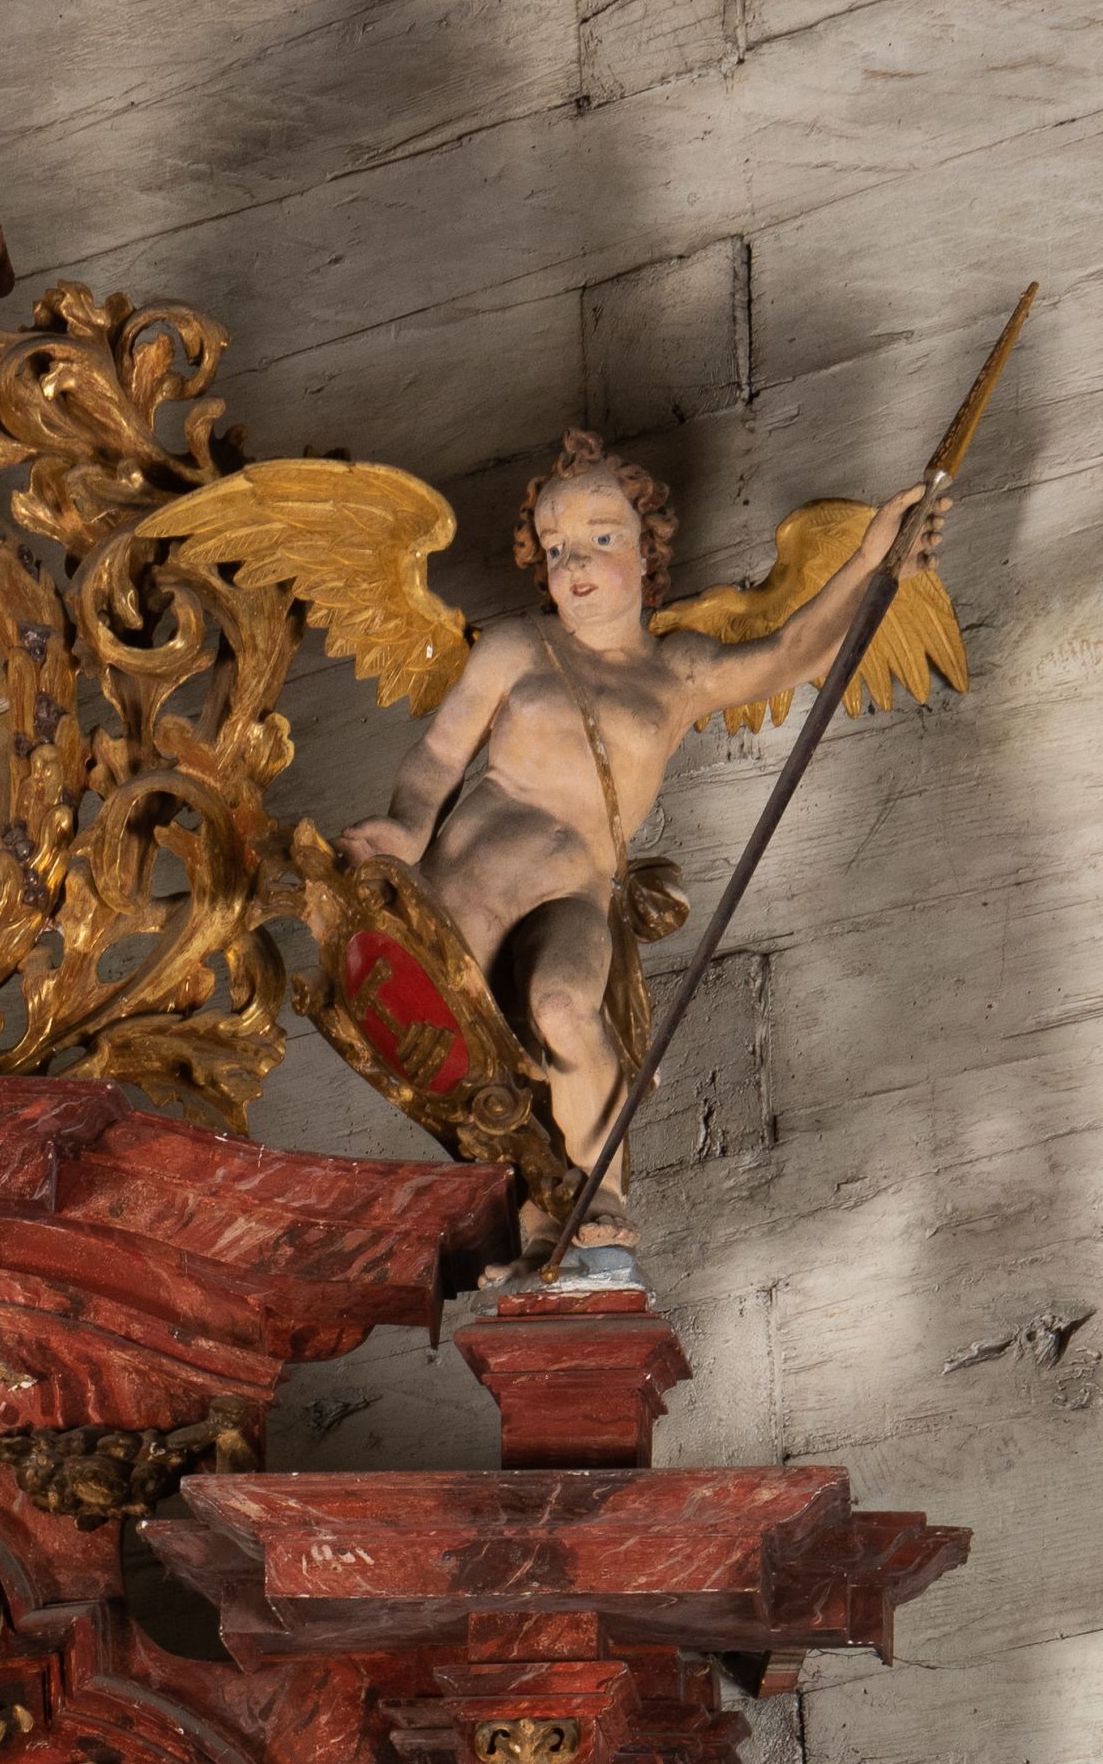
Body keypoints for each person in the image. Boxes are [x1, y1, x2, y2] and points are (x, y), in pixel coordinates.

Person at [339, 429, 946, 1256]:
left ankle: (601, 1188)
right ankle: (525, 1209)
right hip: (474, 871)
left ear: (646, 548)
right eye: (556, 547)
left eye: (601, 538)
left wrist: (874, 559)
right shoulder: (518, 646)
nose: (575, 563)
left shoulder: (677, 672)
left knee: (563, 1008)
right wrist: (408, 827)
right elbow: (441, 755)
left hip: (574, 887)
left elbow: (790, 651)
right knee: (472, 1052)